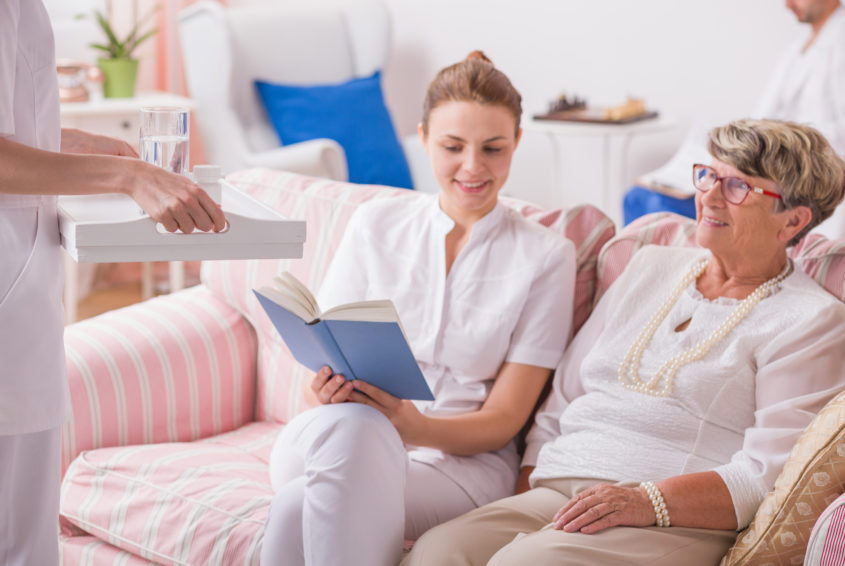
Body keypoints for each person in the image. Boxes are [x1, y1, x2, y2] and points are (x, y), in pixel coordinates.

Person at [403, 118, 845, 566]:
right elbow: (562, 399)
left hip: (673, 514)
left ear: (793, 220)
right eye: (708, 176)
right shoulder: (648, 264)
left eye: (736, 187)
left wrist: (646, 501)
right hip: (563, 488)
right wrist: (524, 497)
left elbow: (767, 475)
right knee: (436, 552)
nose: (708, 195)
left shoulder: (811, 320)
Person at [259, 51, 576, 566]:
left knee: (300, 502)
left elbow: (505, 418)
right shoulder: (375, 223)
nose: (472, 167)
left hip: (458, 463)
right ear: (424, 137)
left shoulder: (546, 256)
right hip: (336, 433)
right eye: (453, 147)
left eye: (493, 148)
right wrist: (323, 389)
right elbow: (324, 351)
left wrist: (412, 428)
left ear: (517, 142)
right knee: (356, 431)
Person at [0, 2, 226, 565]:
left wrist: (71, 142)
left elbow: (13, 117)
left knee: (26, 529)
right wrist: (125, 175)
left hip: (23, 290)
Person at [624, 0, 845, 236]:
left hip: (779, 185)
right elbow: (762, 119)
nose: (787, 4)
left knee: (654, 206)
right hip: (754, 170)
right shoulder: (800, 50)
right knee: (638, 199)